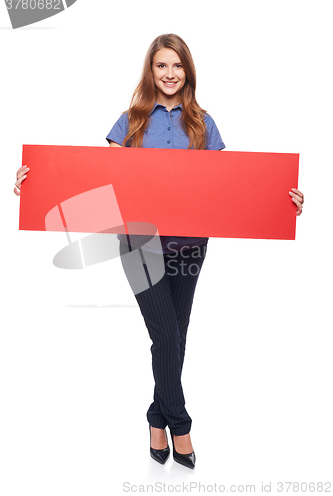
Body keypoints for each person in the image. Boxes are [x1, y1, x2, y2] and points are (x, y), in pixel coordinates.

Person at [14, 33, 305, 469]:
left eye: (177, 66)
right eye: (161, 66)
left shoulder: (203, 124)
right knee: (166, 334)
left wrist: (284, 201)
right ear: (150, 71)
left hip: (190, 244)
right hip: (139, 244)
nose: (170, 74)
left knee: (176, 335)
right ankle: (180, 424)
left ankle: (155, 418)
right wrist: (33, 185)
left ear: (188, 72)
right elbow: (94, 181)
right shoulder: (130, 121)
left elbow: (231, 187)